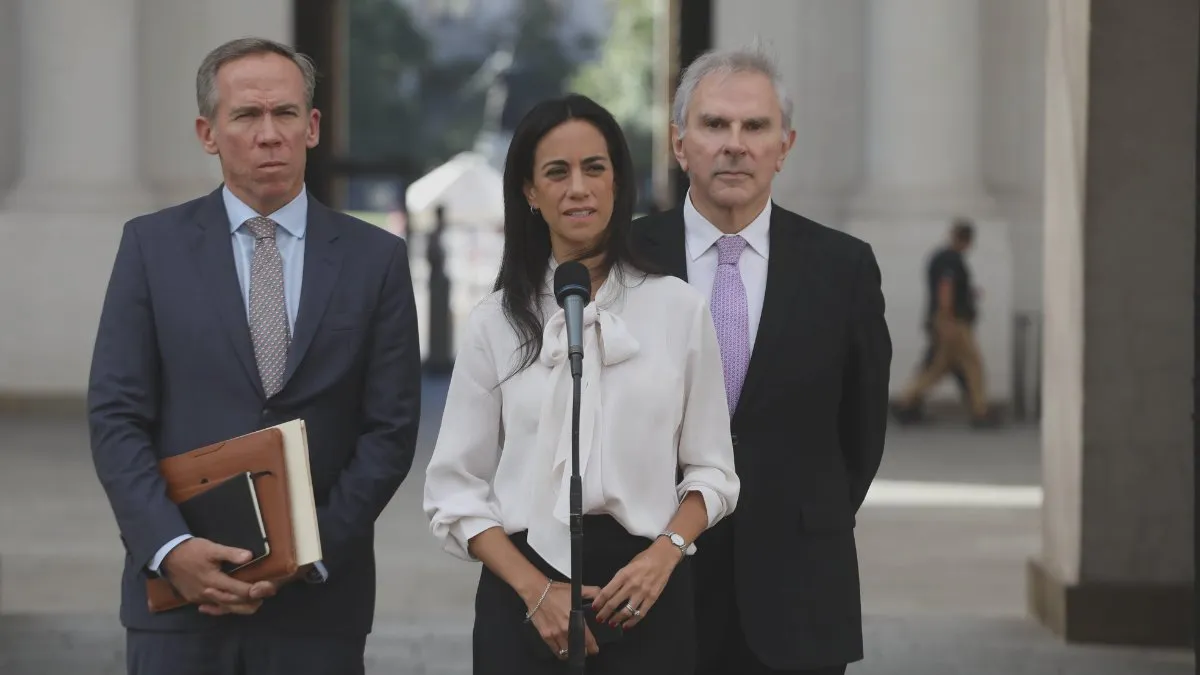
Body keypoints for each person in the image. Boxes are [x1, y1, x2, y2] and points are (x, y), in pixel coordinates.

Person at [87, 37, 421, 674]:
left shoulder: (374, 260)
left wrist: (306, 550)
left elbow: (390, 430)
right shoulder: (150, 248)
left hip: (319, 605)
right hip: (179, 603)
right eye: (246, 116)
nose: (269, 134)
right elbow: (116, 415)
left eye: (286, 113)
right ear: (208, 132)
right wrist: (169, 546)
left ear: (312, 126)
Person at [423, 93, 740, 674]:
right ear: (529, 191)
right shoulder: (495, 319)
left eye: (595, 168)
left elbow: (713, 472)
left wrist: (664, 555)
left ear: (618, 181)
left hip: (644, 589)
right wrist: (533, 589)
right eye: (556, 172)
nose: (578, 188)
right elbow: (453, 489)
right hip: (522, 592)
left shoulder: (679, 308)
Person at [631, 47, 892, 675]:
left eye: (755, 127)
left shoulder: (843, 269)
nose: (734, 144)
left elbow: (861, 433)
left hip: (798, 590)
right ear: (679, 142)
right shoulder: (625, 261)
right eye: (714, 124)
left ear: (785, 144)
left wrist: (796, 512)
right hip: (650, 587)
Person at [892, 218, 996, 427]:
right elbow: (946, 288)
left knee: (937, 367)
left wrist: (967, 294)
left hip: (946, 321)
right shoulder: (950, 259)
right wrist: (946, 318)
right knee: (973, 365)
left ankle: (906, 402)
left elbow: (949, 288)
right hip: (952, 323)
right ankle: (980, 412)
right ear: (966, 239)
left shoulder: (943, 257)